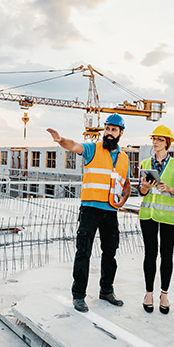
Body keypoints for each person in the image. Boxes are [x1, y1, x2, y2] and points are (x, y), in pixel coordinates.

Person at [47, 114, 132, 312]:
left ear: (120, 133)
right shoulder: (92, 149)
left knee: (110, 253)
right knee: (83, 252)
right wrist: (61, 141)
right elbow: (74, 146)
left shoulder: (124, 158)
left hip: (111, 211)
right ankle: (78, 296)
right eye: (107, 129)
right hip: (90, 210)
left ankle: (106, 290)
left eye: (113, 130)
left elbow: (126, 184)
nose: (109, 133)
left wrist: (124, 198)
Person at [138, 125, 174, 314]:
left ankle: (164, 295)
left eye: (159, 139)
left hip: (170, 217)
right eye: (154, 139)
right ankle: (149, 294)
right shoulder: (144, 163)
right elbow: (141, 192)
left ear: (167, 142)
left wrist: (170, 189)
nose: (155, 142)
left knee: (167, 255)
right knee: (150, 254)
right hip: (148, 215)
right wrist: (144, 187)